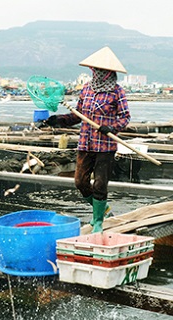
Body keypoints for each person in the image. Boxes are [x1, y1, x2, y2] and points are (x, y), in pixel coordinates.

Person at [43, 46, 130, 233]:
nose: (97, 73)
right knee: (80, 182)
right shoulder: (87, 89)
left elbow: (125, 118)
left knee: (99, 184)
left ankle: (97, 221)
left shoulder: (117, 92)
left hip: (105, 145)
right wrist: (60, 120)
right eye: (95, 70)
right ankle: (103, 210)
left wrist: (112, 127)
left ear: (108, 73)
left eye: (101, 71)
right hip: (86, 143)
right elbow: (79, 115)